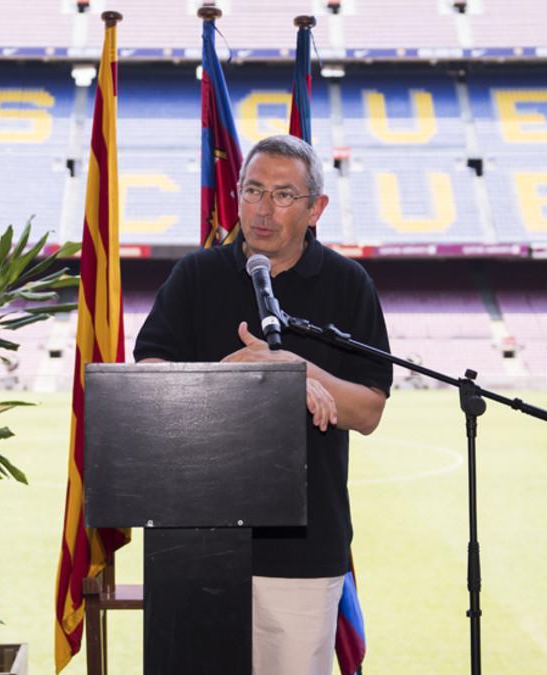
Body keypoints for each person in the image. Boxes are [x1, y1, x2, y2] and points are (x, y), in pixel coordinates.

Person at [134, 134, 392, 674]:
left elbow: (367, 410)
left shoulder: (348, 284)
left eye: (282, 195)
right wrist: (234, 376)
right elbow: (149, 381)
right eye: (253, 191)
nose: (263, 209)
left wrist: (292, 371)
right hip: (192, 541)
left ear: (316, 208)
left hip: (303, 545)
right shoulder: (195, 275)